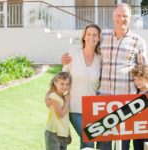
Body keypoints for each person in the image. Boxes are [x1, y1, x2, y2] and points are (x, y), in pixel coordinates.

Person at [61, 3, 148, 150]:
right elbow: (87, 46)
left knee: (123, 144)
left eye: (125, 16)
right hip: (104, 101)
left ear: (130, 18)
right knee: (104, 144)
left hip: (126, 102)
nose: (121, 19)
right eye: (118, 16)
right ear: (113, 17)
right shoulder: (103, 37)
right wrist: (67, 57)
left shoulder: (138, 41)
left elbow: (144, 70)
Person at [45, 72, 72, 150]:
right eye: (62, 84)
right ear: (55, 83)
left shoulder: (63, 97)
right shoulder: (53, 96)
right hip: (53, 133)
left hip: (63, 134)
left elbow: (65, 118)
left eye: (67, 84)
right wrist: (67, 101)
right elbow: (61, 114)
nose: (65, 86)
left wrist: (68, 133)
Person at [131, 64, 148, 150]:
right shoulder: (134, 93)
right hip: (136, 130)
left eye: (140, 79)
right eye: (135, 79)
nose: (137, 82)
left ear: (146, 78)